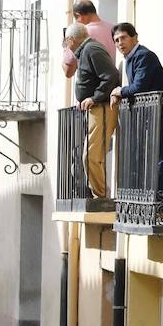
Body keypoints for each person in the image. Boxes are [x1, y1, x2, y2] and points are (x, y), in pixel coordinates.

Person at [110, 22, 163, 196]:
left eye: (123, 38)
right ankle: (151, 197)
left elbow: (139, 86)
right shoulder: (130, 59)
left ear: (134, 37)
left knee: (162, 158)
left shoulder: (143, 56)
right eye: (116, 40)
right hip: (150, 115)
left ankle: (161, 203)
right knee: (150, 159)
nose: (119, 43)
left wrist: (119, 91)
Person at [66, 21, 122, 199]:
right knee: (92, 155)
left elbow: (111, 75)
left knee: (91, 156)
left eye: (66, 41)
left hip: (102, 108)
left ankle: (101, 197)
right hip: (96, 109)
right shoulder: (87, 50)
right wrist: (82, 98)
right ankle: (100, 195)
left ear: (71, 39)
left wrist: (94, 97)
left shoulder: (91, 49)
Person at [61, 0, 115, 80]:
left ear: (78, 15)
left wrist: (66, 47)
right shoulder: (113, 29)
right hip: (112, 82)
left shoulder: (80, 34)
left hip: (91, 85)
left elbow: (68, 71)